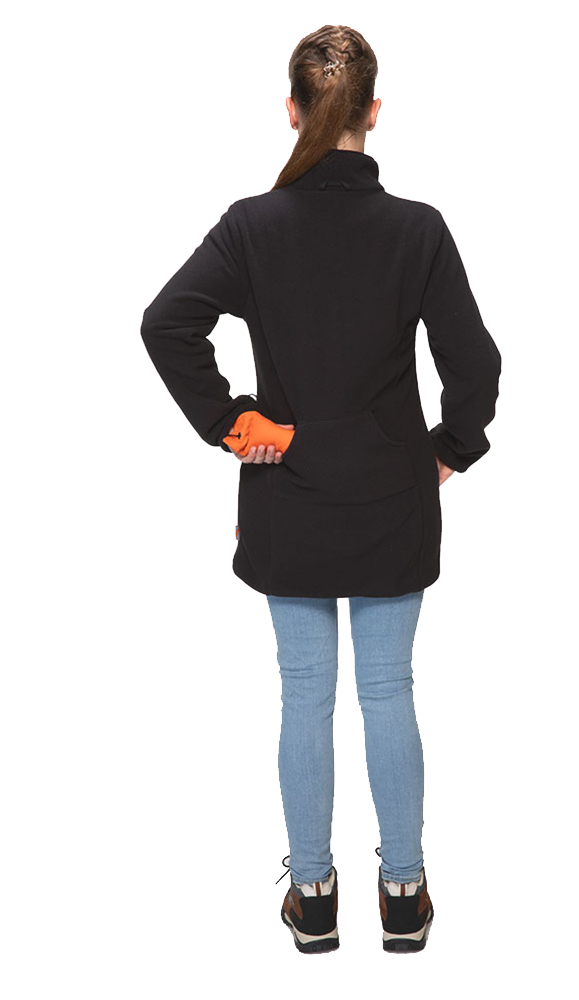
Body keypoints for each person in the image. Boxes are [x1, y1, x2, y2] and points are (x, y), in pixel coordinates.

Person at [140, 23, 502, 954]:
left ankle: (311, 896)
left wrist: (236, 424)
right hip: (389, 492)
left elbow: (165, 324)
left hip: (288, 488)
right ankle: (403, 893)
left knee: (304, 695)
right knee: (388, 690)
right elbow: (474, 362)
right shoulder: (416, 229)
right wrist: (449, 449)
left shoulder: (252, 226)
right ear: (372, 113)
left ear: (292, 111)